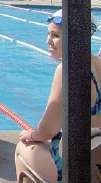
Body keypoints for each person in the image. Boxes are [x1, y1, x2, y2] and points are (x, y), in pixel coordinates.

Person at [14, 10, 101, 182]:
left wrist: (31, 135)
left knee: (22, 148)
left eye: (55, 36)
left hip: (80, 169)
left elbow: (47, 130)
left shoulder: (67, 70)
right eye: (48, 34)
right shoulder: (97, 63)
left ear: (75, 36)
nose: (48, 41)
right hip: (97, 156)